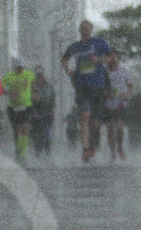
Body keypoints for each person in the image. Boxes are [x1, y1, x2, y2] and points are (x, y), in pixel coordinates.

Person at [61, 20, 111, 162]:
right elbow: (64, 59)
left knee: (95, 121)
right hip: (82, 86)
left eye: (87, 28)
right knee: (84, 116)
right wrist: (69, 71)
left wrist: (99, 59)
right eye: (82, 28)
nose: (84, 30)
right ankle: (85, 149)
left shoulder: (100, 43)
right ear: (79, 30)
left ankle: (93, 144)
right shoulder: (75, 46)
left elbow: (110, 58)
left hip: (97, 86)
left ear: (91, 29)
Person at [100, 50, 133, 160]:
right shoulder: (103, 71)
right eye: (110, 57)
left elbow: (130, 85)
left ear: (117, 58)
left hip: (120, 103)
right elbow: (98, 87)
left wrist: (127, 95)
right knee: (110, 129)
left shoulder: (123, 70)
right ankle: (112, 152)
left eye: (114, 57)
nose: (112, 59)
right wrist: (106, 94)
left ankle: (119, 147)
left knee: (119, 128)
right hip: (108, 104)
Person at [1, 59, 35, 165]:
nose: (20, 69)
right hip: (13, 107)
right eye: (18, 67)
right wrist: (9, 92)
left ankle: (22, 155)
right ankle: (17, 152)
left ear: (24, 67)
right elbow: (0, 88)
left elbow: (36, 83)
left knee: (25, 129)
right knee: (16, 131)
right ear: (15, 67)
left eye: (21, 67)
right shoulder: (9, 76)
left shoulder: (29, 74)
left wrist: (35, 93)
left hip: (26, 106)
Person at [30, 67, 55, 157]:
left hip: (47, 114)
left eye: (40, 76)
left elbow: (52, 98)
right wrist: (34, 100)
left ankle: (48, 151)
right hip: (35, 115)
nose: (39, 79)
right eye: (37, 77)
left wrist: (51, 104)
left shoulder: (49, 87)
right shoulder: (32, 88)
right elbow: (29, 101)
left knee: (47, 132)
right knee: (35, 134)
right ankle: (38, 151)